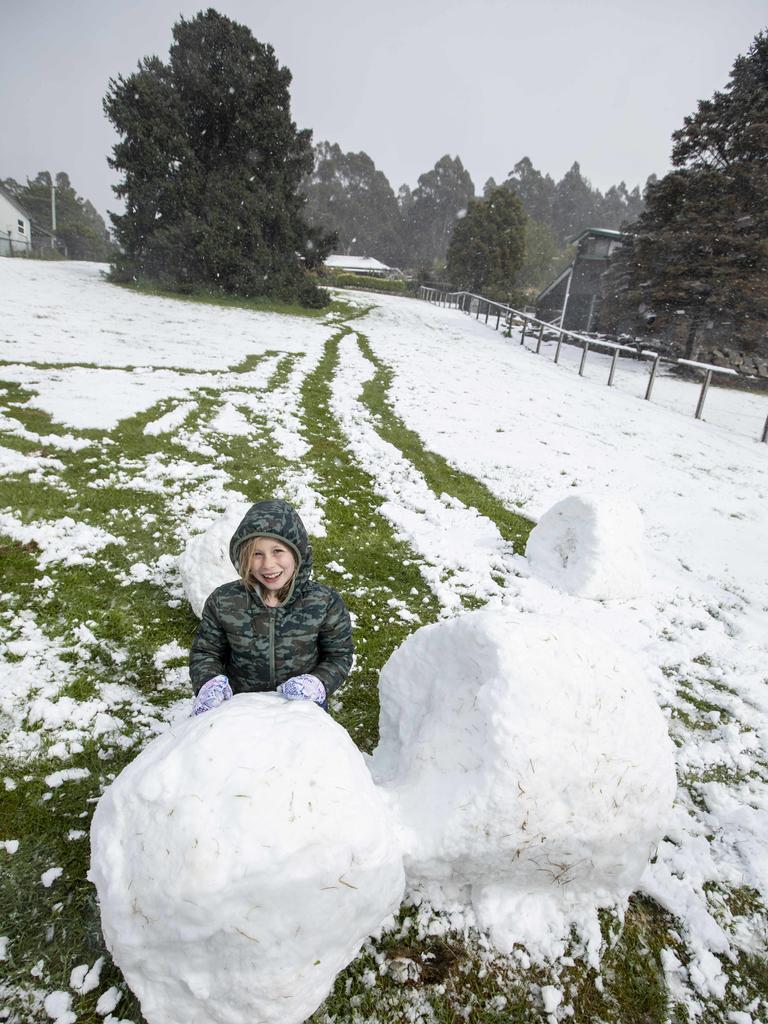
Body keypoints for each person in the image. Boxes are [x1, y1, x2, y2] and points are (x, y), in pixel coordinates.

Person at [189, 498, 353, 715]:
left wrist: (318, 682)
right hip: (239, 707)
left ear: (297, 554)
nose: (267, 564)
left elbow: (338, 655)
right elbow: (206, 652)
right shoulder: (224, 601)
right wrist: (209, 683)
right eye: (257, 554)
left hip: (299, 707)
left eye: (277, 551)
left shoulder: (324, 603)